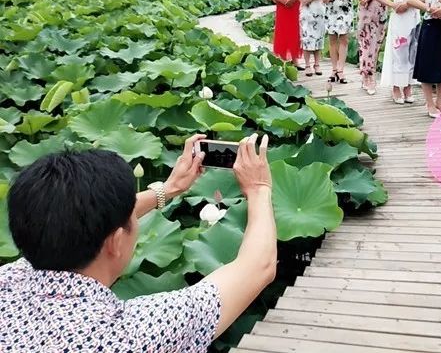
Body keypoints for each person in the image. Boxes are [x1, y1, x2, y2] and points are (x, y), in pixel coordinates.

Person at [1, 133, 276, 352]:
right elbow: (258, 267)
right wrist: (258, 189)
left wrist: (169, 190)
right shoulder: (136, 332)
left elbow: (67, 219)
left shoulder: (8, 279)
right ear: (115, 242)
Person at [373, 0, 427, 104]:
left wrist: (411, 3)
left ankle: (408, 88)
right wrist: (393, 5)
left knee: (413, 52)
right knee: (398, 52)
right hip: (398, 17)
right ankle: (396, 88)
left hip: (413, 16)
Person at [352, 0, 392, 95]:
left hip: (381, 11)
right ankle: (368, 77)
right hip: (366, 11)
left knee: (376, 45)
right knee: (366, 44)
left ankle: (368, 73)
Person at [284, 0, 324, 77]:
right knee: (306, 39)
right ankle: (307, 65)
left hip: (319, 9)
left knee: (319, 38)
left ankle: (317, 65)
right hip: (306, 11)